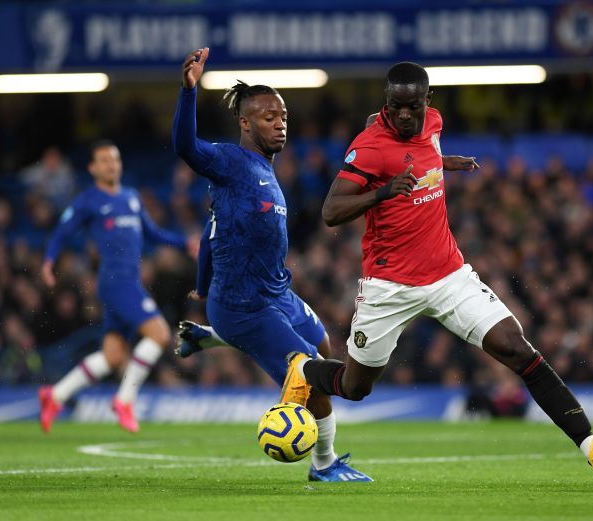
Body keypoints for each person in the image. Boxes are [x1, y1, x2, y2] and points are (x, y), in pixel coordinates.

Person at [283, 62, 593, 482]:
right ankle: (305, 370)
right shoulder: (370, 147)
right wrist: (383, 191)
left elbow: (420, 151)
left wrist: (443, 162)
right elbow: (331, 211)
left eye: (413, 106)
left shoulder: (433, 123)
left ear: (427, 102)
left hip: (449, 276)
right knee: (356, 387)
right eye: (396, 108)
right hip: (389, 285)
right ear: (386, 105)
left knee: (516, 347)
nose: (406, 116)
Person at [172, 47, 371, 482]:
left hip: (277, 294)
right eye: (268, 117)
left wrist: (202, 288)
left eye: (283, 116)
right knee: (309, 373)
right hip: (244, 306)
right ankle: (323, 464)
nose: (280, 123)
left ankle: (211, 338)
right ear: (245, 123)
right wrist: (188, 92)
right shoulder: (230, 162)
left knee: (322, 350)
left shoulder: (265, 172)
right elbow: (185, 146)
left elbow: (211, 235)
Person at [38, 140, 195, 434]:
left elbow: (152, 233)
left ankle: (54, 395)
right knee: (160, 334)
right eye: (105, 161)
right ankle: (124, 400)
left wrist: (185, 244)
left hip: (127, 282)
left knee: (112, 357)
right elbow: (63, 230)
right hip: (115, 281)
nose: (112, 165)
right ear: (92, 168)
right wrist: (49, 261)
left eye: (115, 159)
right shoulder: (89, 200)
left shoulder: (131, 197)